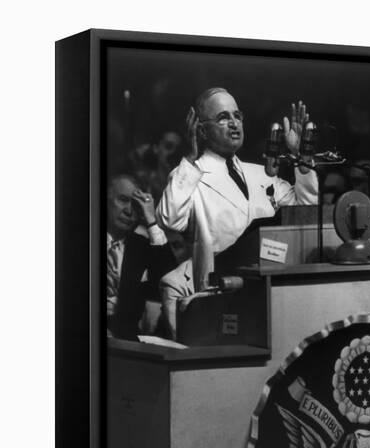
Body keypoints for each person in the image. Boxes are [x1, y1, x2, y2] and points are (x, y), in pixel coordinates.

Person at [156, 88, 319, 338]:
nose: (234, 124)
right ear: (202, 129)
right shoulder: (191, 175)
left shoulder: (263, 174)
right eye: (223, 117)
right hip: (221, 302)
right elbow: (169, 217)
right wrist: (189, 156)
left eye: (237, 115)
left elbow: (305, 214)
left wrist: (301, 158)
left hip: (272, 296)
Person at [107, 174, 176, 339]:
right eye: (123, 200)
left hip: (125, 343)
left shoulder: (141, 247)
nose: (129, 211)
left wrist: (152, 221)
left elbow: (172, 281)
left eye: (136, 206)